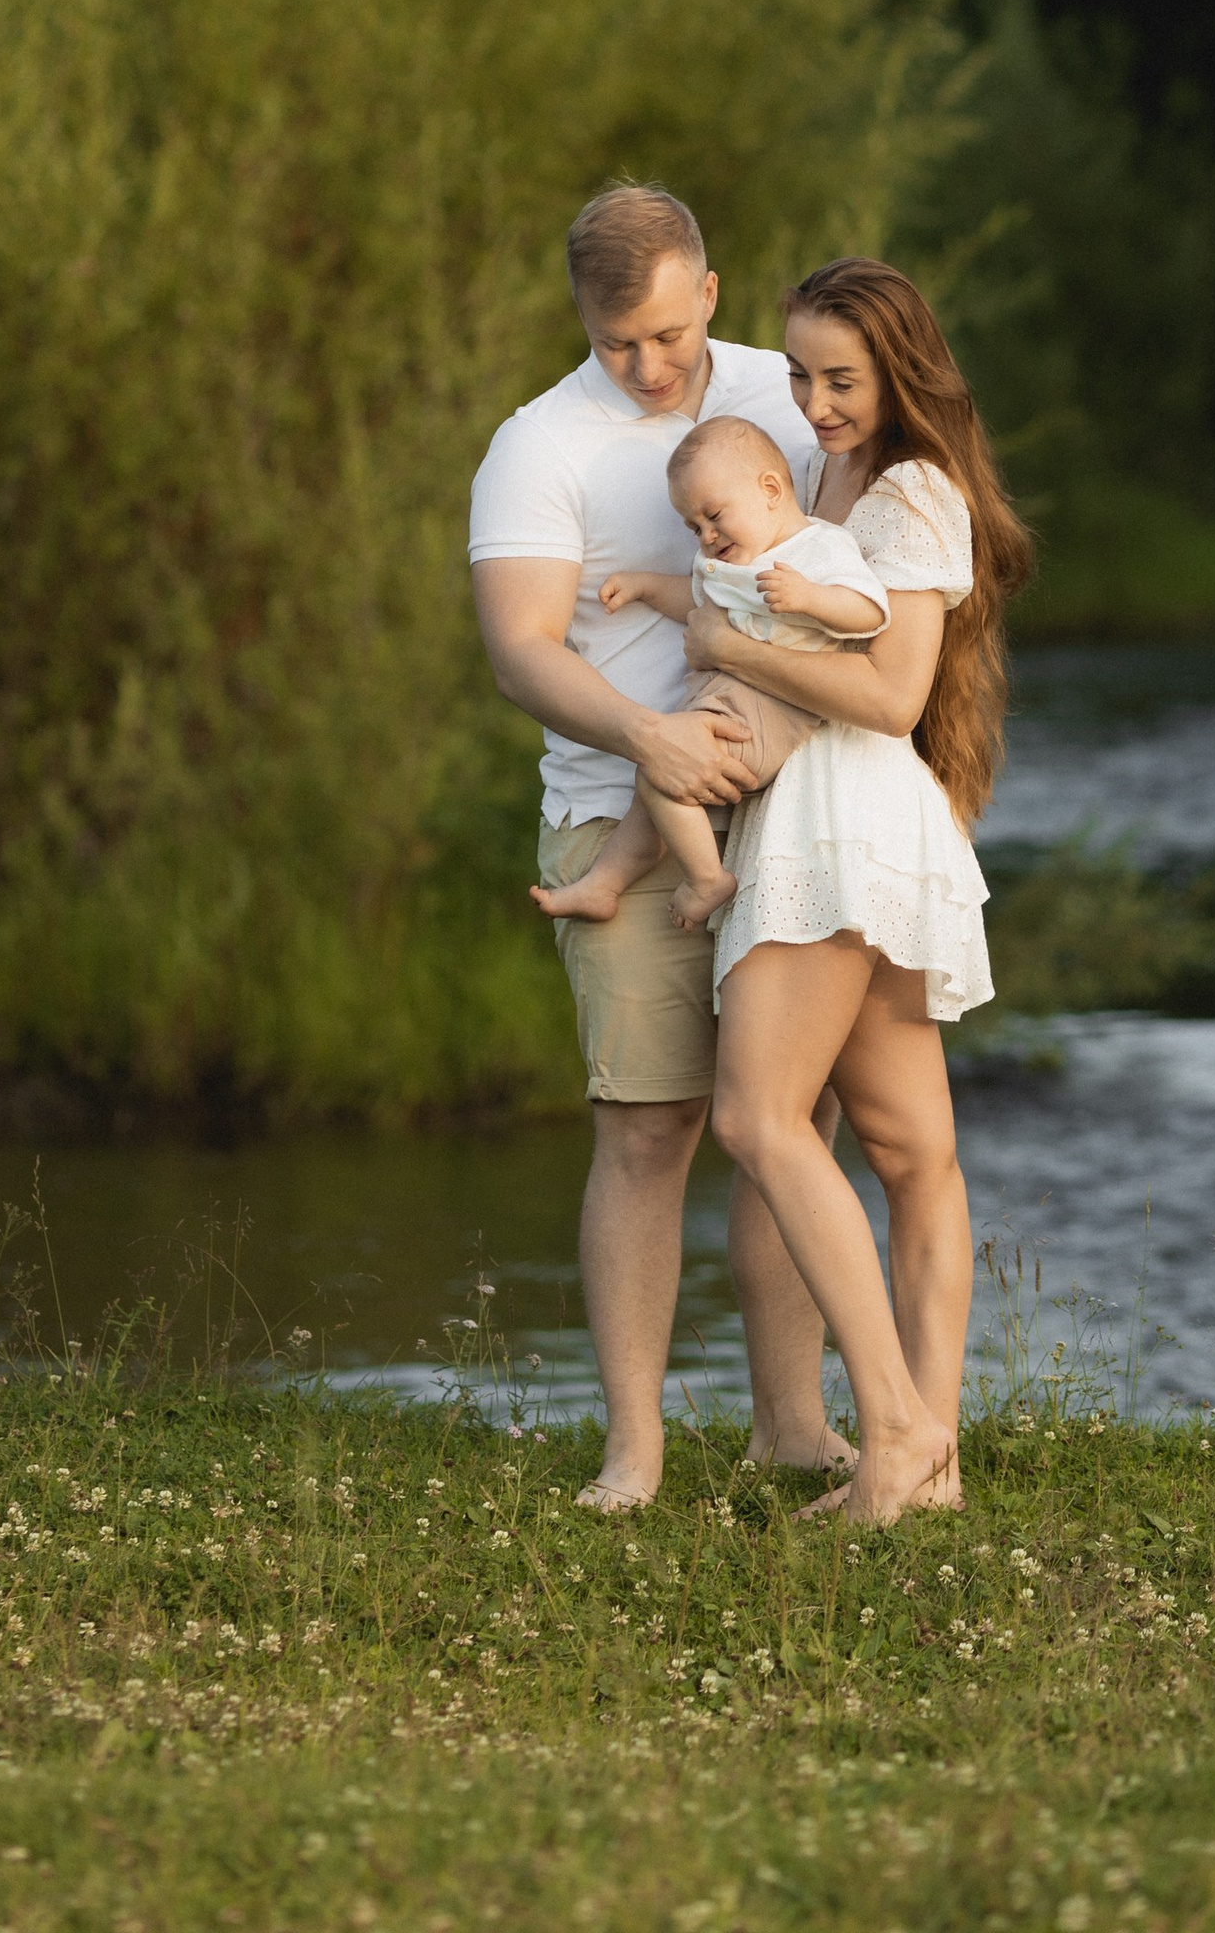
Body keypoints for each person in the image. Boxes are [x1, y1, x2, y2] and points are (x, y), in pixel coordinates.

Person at [469, 185, 852, 1510]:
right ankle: (634, 1449)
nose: (649, 367)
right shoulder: (538, 446)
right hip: (620, 802)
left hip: (803, 804)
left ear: (712, 292)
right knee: (648, 1126)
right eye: (618, 339)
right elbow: (521, 648)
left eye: (671, 337)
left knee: (792, 1118)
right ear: (581, 314)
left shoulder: (784, 394)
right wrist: (652, 740)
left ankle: (794, 1427)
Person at [690, 257, 1035, 1524]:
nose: (817, 400)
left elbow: (892, 696)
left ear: (904, 368)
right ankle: (927, 1468)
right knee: (907, 1150)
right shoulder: (815, 475)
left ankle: (892, 1431)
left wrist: (721, 644)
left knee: (760, 1120)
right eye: (798, 374)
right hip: (852, 816)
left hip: (845, 812)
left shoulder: (913, 494)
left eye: (842, 377)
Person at [529, 410, 890, 933]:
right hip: (721, 706)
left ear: (770, 489)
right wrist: (645, 586)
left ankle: (706, 879)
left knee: (658, 776)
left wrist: (813, 599)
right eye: (693, 526)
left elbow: (870, 610)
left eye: (714, 514)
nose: (706, 534)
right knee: (653, 785)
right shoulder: (731, 563)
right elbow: (696, 597)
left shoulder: (818, 548)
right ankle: (604, 885)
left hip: (767, 716)